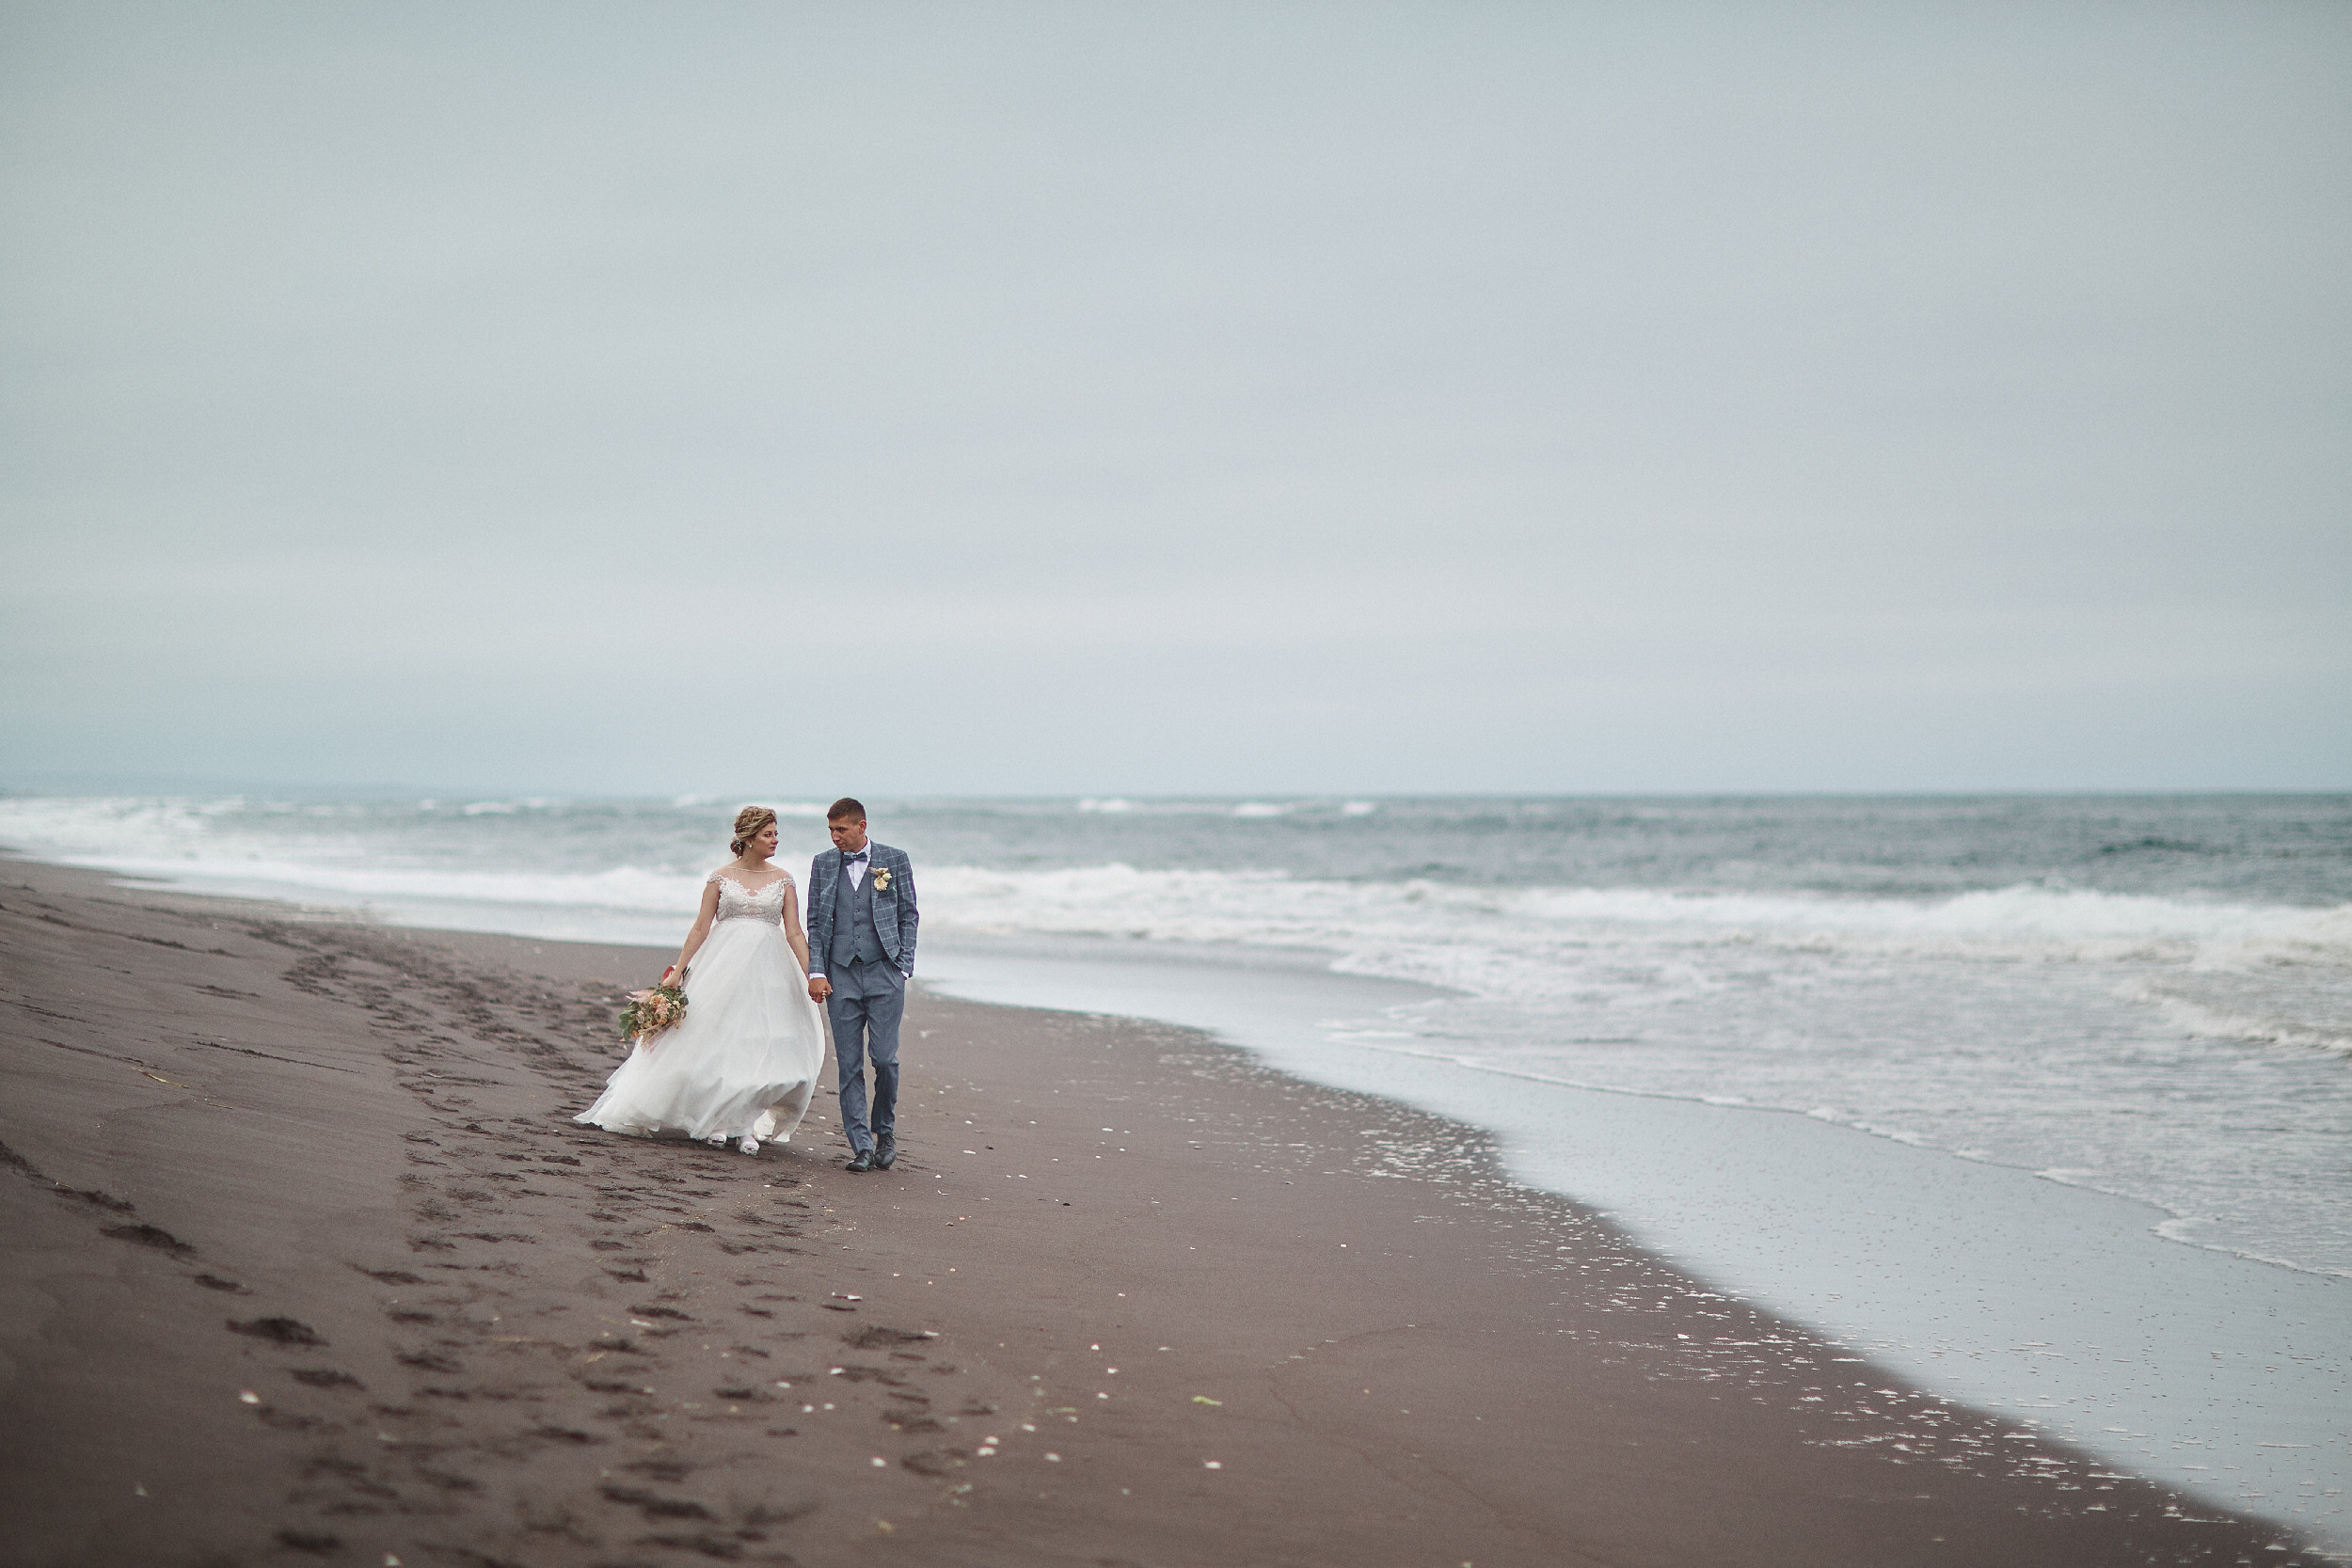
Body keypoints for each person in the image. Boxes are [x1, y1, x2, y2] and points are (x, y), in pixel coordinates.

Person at [574, 806, 827, 1156]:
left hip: (771, 969)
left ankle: (745, 1125)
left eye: (776, 834)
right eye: (768, 834)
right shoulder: (720, 877)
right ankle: (718, 1122)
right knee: (721, 1041)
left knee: (760, 1043)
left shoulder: (784, 879)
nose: (775, 841)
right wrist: (678, 971)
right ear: (748, 838)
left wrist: (813, 973)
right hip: (723, 965)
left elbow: (795, 932)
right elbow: (700, 927)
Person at [804, 798, 918, 1172]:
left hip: (885, 972)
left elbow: (909, 915)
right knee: (849, 1064)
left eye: (841, 829)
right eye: (831, 830)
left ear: (861, 826)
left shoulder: (895, 859)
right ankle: (862, 1146)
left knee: (885, 1059)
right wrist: (817, 971)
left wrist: (903, 965)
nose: (835, 836)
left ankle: (884, 1131)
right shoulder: (823, 863)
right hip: (841, 975)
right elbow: (816, 923)